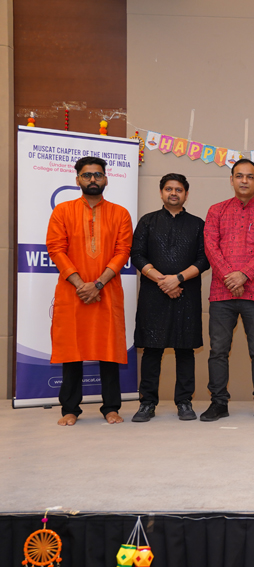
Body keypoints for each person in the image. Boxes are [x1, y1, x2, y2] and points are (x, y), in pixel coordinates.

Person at [47, 156, 133, 426]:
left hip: (106, 290)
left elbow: (123, 252)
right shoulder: (63, 211)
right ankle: (70, 409)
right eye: (87, 175)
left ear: (106, 179)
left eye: (97, 174)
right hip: (72, 293)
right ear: (78, 180)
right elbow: (56, 249)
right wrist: (80, 285)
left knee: (108, 349)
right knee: (72, 349)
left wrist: (97, 284)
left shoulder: (120, 213)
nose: (93, 179)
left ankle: (111, 407)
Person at [202, 159, 254, 422]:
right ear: (231, 180)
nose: (244, 181)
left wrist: (244, 275)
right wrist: (230, 277)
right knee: (218, 350)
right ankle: (218, 403)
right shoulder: (216, 211)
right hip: (221, 292)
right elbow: (211, 247)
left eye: (250, 176)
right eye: (239, 176)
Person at [130, 173, 209, 422]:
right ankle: (147, 403)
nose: (173, 193)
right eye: (168, 189)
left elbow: (204, 259)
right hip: (153, 294)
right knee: (152, 350)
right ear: (161, 192)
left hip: (186, 294)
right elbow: (137, 255)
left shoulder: (197, 224)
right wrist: (163, 281)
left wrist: (178, 279)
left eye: (178, 190)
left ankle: (184, 402)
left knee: (185, 349)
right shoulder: (147, 221)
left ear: (186, 194)